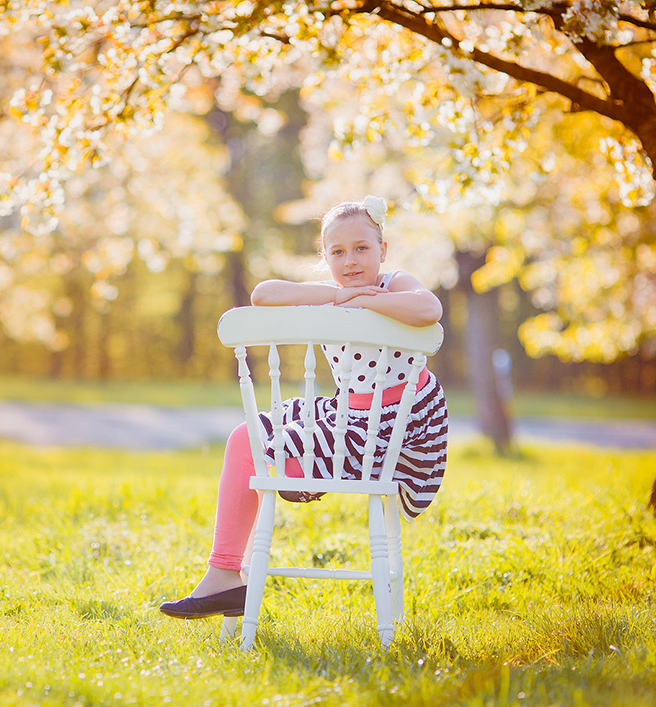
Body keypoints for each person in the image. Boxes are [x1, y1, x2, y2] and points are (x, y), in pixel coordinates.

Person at [159, 196, 449, 620]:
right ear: (324, 256)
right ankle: (224, 575)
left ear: (382, 251)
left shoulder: (395, 284)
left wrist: (365, 302)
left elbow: (430, 309)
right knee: (245, 438)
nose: (350, 260)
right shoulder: (331, 292)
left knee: (292, 456)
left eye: (362, 248)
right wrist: (338, 295)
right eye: (337, 252)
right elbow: (263, 294)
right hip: (346, 413)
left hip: (392, 430)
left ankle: (306, 474)